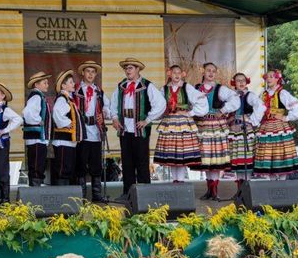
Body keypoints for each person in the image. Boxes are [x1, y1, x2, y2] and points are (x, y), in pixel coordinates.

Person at [110, 57, 166, 201]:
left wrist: (147, 120)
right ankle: (127, 193)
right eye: (126, 68)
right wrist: (115, 118)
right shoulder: (121, 86)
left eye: (130, 68)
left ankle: (145, 194)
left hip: (140, 130)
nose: (127, 71)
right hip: (125, 129)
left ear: (137, 70)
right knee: (127, 163)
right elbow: (113, 103)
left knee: (141, 162)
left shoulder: (147, 85)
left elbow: (161, 104)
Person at [193, 62, 240, 201]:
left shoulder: (221, 89)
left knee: (215, 158)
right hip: (201, 125)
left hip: (215, 126)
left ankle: (214, 191)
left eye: (213, 71)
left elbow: (235, 99)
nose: (211, 73)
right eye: (208, 70)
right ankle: (209, 190)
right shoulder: (196, 88)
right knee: (205, 159)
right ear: (203, 71)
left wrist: (223, 110)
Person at [153, 65, 208, 183]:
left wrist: (192, 112)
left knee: (182, 152)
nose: (177, 75)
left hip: (183, 122)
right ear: (169, 74)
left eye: (179, 73)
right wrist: (160, 114)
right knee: (172, 153)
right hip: (169, 122)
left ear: (182, 74)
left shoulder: (186, 87)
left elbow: (200, 98)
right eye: (174, 73)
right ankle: (175, 181)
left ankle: (181, 181)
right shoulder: (164, 89)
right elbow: (158, 105)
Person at [254, 70, 298, 180]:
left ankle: (282, 183)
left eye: (272, 77)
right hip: (266, 127)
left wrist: (286, 117)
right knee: (269, 156)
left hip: (279, 127)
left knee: (280, 154)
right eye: (267, 77)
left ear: (277, 79)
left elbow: (297, 107)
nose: (269, 79)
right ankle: (272, 185)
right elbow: (257, 110)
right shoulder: (263, 94)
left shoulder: (282, 93)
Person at [75, 60, 110, 201]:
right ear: (83, 73)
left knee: (96, 164)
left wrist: (105, 113)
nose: (90, 74)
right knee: (81, 164)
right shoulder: (77, 90)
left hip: (95, 131)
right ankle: (81, 196)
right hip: (82, 131)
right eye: (88, 71)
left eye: (93, 72)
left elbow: (107, 106)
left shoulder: (99, 91)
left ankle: (97, 195)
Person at [227, 72, 265, 194]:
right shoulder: (231, 96)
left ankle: (246, 189)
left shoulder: (250, 96)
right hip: (235, 130)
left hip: (246, 130)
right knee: (238, 160)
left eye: (243, 80)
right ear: (234, 83)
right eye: (238, 80)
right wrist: (230, 122)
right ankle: (240, 190)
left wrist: (251, 119)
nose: (241, 83)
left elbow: (261, 106)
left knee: (247, 160)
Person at [51, 69, 85, 186]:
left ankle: (65, 193)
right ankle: (62, 193)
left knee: (67, 168)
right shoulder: (62, 98)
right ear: (63, 85)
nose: (73, 84)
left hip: (68, 141)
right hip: (63, 140)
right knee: (63, 168)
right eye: (70, 82)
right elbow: (56, 113)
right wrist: (66, 123)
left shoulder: (68, 99)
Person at [22, 71, 52, 187]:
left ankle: (35, 187)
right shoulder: (36, 96)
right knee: (36, 164)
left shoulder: (38, 96)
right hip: (36, 138)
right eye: (44, 83)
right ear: (36, 85)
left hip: (37, 138)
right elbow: (27, 112)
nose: (47, 85)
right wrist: (38, 120)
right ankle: (35, 188)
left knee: (37, 163)